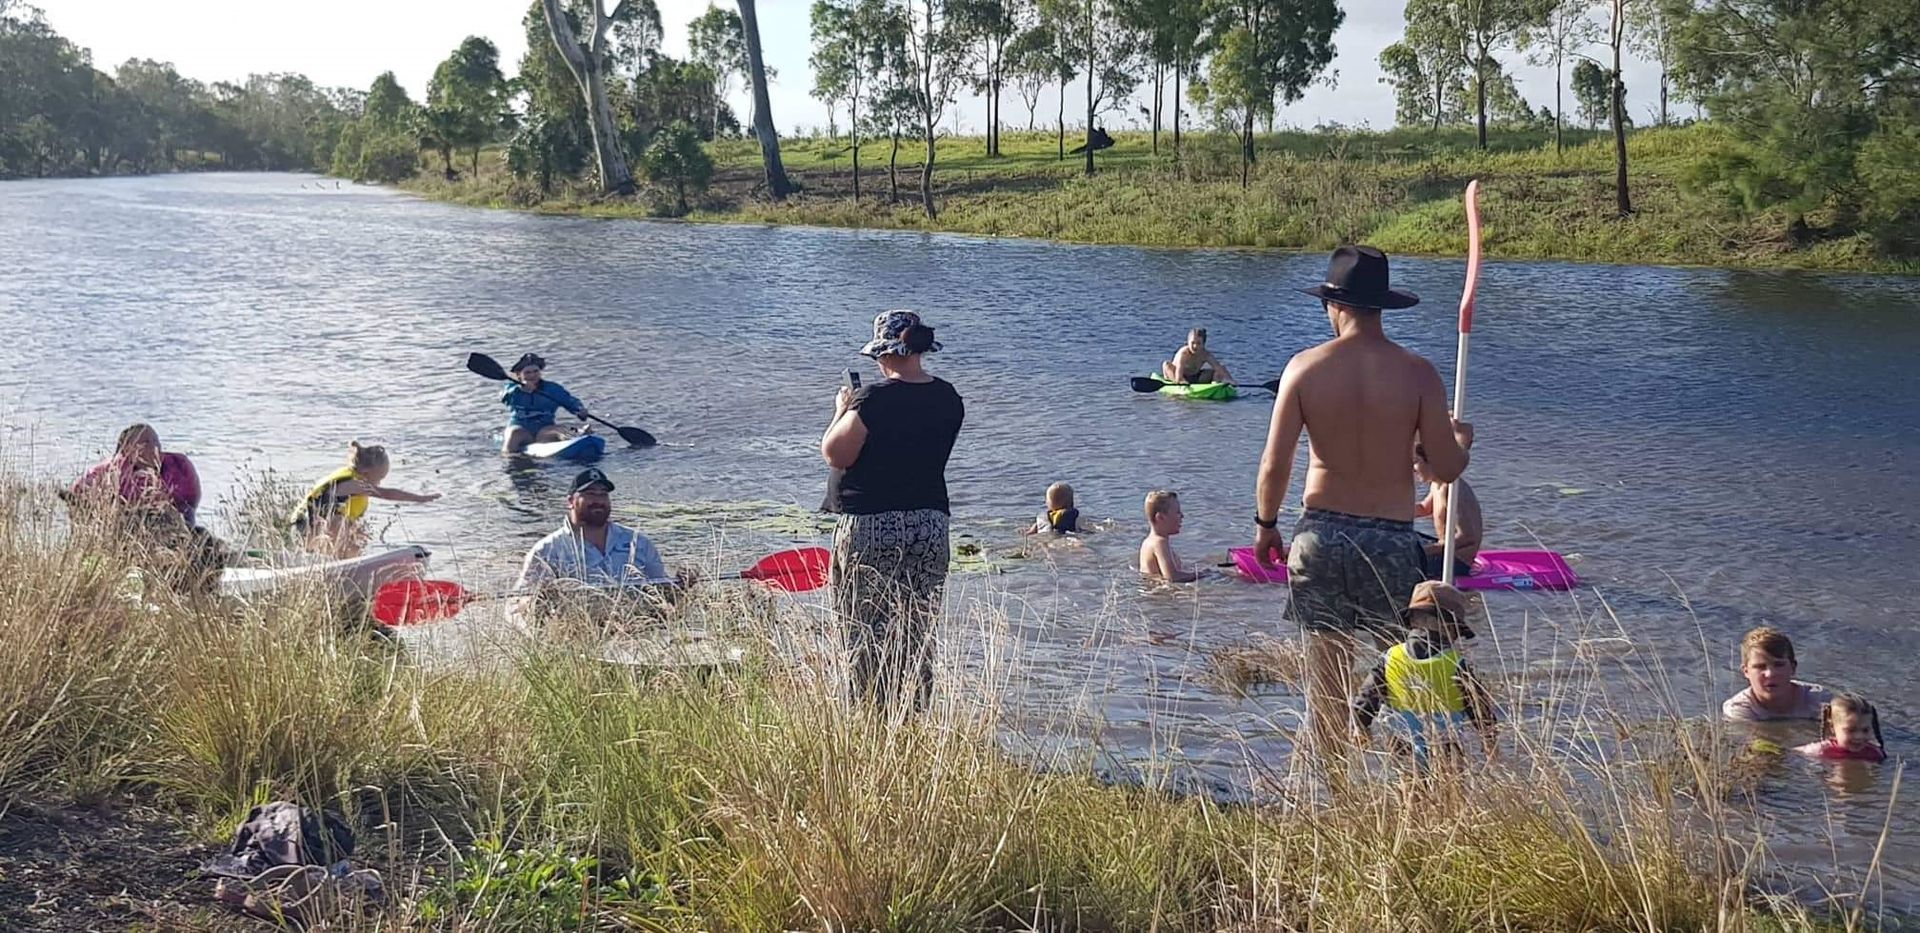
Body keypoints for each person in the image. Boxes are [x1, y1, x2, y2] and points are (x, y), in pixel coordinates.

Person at [1250, 245, 1473, 765]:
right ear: (1381, 306)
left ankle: (1331, 794)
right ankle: (1408, 787)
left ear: (1336, 305)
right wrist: (1460, 441)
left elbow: (1274, 463)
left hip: (1320, 536)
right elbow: (1445, 469)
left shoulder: (1304, 368)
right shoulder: (1418, 375)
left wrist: (1266, 525)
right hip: (1390, 541)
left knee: (1325, 683)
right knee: (1404, 673)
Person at [821, 310, 965, 713]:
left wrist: (842, 410)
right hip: (930, 524)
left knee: (864, 629)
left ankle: (869, 718)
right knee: (916, 630)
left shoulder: (873, 399)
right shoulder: (948, 397)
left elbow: (836, 453)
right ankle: (912, 714)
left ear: (885, 353)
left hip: (872, 524)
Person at [1352, 581, 1497, 769]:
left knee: (1410, 787)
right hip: (1445, 744)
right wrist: (1489, 738)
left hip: (1403, 742)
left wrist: (1361, 728)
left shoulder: (1391, 657)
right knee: (1449, 786)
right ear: (1452, 629)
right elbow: (1479, 706)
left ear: (1412, 621)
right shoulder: (1455, 663)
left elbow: (1366, 697)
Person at [289, 442, 440, 558]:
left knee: (359, 533)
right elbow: (387, 494)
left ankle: (346, 563)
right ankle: (333, 561)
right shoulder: (355, 484)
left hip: (312, 530)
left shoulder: (356, 483)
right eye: (379, 479)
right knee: (340, 523)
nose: (379, 484)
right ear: (367, 473)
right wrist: (419, 498)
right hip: (303, 529)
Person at [70, 423, 202, 527]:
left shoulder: (178, 463)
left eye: (156, 441)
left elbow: (190, 500)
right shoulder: (111, 470)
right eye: (146, 443)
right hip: (128, 525)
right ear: (128, 449)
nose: (154, 446)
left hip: (175, 521)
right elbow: (78, 492)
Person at [1722, 627, 1832, 721]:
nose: (1770, 674)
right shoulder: (1739, 709)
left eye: (1779, 665)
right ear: (1746, 671)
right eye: (1760, 667)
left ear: (1793, 668)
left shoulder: (1820, 700)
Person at [1415, 443, 1482, 580]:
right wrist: (1385, 511)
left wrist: (1426, 551)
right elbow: (1423, 508)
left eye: (1416, 462)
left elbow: (1467, 537)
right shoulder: (1436, 483)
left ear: (1431, 462)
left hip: (1457, 560)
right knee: (1401, 537)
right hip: (1443, 548)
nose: (1413, 469)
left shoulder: (1450, 489)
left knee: (1403, 562)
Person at [499, 353, 589, 454]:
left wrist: (580, 410)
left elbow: (570, 401)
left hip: (544, 431)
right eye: (527, 373)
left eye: (536, 371)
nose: (532, 375)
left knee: (559, 429)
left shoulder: (552, 389)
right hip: (521, 431)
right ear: (519, 374)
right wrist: (520, 389)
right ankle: (508, 459)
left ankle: (578, 436)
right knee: (514, 433)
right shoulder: (512, 388)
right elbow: (503, 397)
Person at [1796, 693, 1886, 762]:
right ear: (1832, 728)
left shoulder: (1875, 754)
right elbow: (1793, 752)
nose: (1859, 736)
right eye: (1851, 730)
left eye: (1865, 730)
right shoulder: (1821, 750)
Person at [1137, 490, 1203, 583]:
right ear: (1160, 517)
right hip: (1160, 595)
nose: (1182, 516)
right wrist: (1202, 574)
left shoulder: (1149, 541)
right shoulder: (1159, 542)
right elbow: (1172, 577)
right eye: (1177, 512)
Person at [1160, 328, 1233, 385]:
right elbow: (1178, 374)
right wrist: (1181, 380)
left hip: (1195, 377)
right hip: (1178, 375)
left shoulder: (1205, 354)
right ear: (1188, 342)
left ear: (1203, 344)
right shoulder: (1184, 353)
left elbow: (1219, 367)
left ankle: (1215, 386)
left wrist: (1230, 380)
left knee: (1220, 370)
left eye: (1198, 343)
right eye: (1193, 343)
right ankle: (1177, 384)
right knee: (1166, 364)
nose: (1195, 346)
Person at [1025, 482, 1094, 535]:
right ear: (1071, 502)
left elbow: (1030, 533)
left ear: (1048, 503)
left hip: (1048, 536)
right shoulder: (1073, 516)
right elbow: (1080, 529)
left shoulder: (1043, 518)